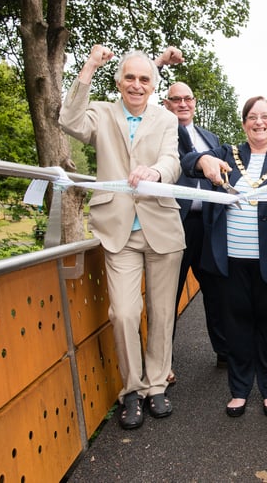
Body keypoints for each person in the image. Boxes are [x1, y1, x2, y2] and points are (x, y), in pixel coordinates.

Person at [59, 45, 185, 430]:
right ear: (118, 81)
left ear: (152, 85)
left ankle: (156, 385)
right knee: (125, 313)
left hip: (161, 227)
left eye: (144, 79)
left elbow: (173, 160)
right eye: (129, 77)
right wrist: (89, 66)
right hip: (118, 231)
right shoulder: (101, 112)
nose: (136, 84)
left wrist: (156, 174)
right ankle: (131, 389)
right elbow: (68, 120)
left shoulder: (166, 119)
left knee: (162, 314)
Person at [181, 96, 267, 419]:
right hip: (230, 259)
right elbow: (187, 162)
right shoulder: (227, 154)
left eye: (265, 117)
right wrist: (203, 163)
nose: (258, 122)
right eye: (252, 117)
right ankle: (239, 390)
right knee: (236, 326)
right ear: (244, 123)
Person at [163, 82, 228, 377]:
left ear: (194, 101)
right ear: (166, 104)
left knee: (216, 290)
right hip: (176, 222)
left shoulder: (211, 137)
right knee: (169, 293)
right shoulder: (162, 132)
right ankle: (162, 363)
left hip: (209, 224)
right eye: (176, 99)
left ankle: (225, 353)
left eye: (187, 98)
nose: (183, 103)